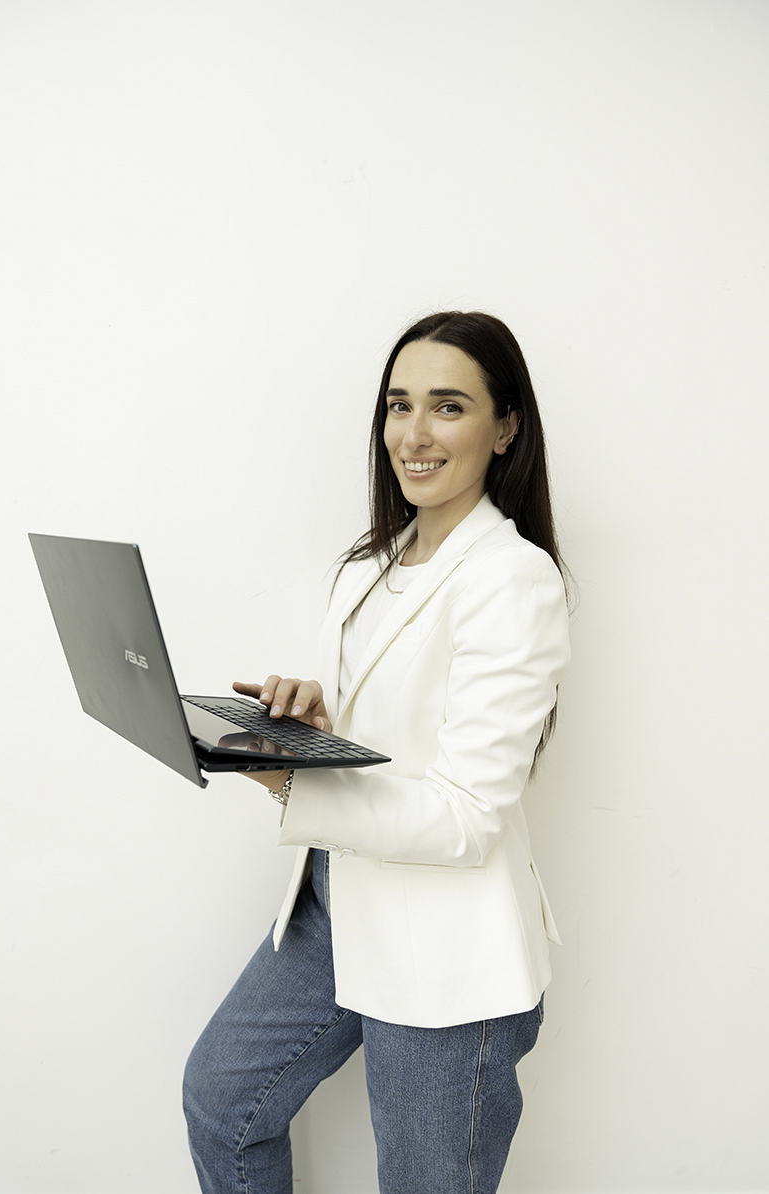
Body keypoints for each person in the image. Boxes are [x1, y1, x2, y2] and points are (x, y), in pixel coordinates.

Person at [183, 311, 571, 1194]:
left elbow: (469, 816)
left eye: (448, 406)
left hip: (444, 945)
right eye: (400, 406)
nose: (414, 434)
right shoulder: (371, 563)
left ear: (504, 427)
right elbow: (393, 732)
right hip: (335, 895)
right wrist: (311, 724)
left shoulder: (514, 582)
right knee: (223, 1103)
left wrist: (288, 780)